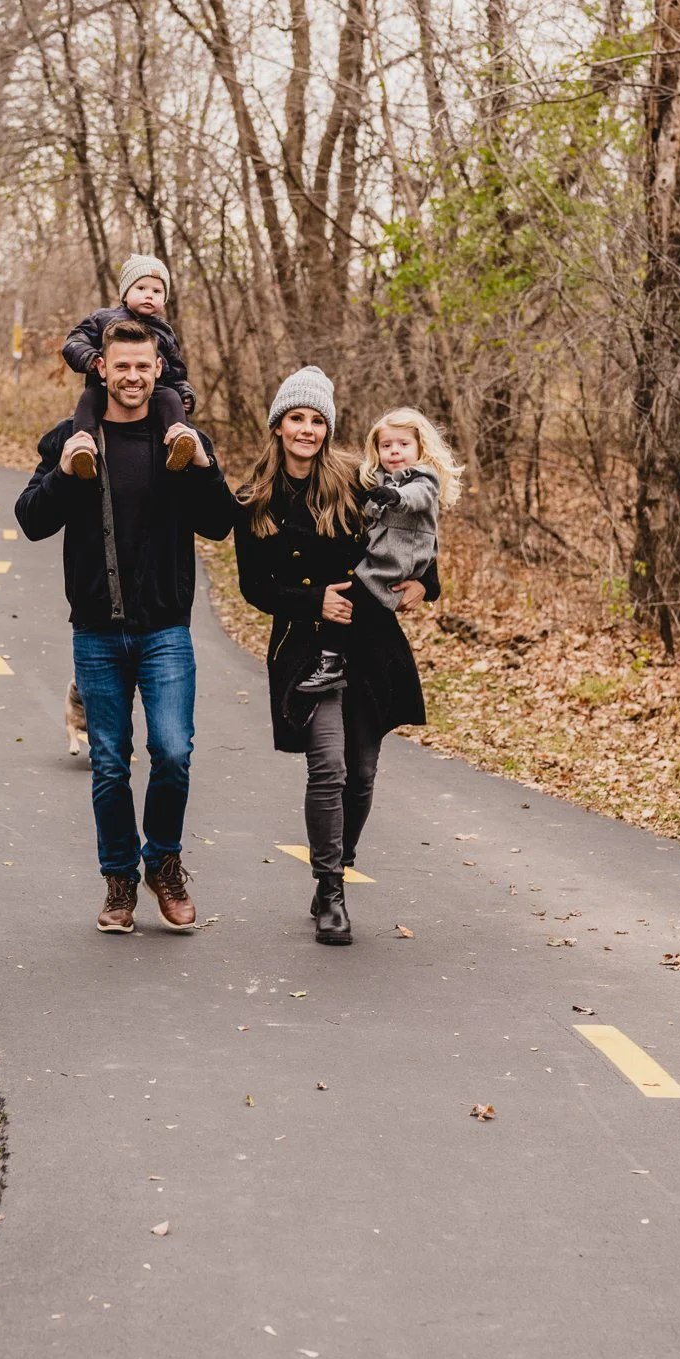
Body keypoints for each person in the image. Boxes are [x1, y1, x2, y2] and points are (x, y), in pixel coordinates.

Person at [16, 317, 237, 935]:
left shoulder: (182, 439)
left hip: (166, 629)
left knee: (172, 752)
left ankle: (162, 859)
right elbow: (31, 521)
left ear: (157, 369)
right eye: (123, 366)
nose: (134, 376)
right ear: (103, 369)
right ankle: (119, 880)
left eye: (144, 366)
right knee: (111, 763)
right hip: (97, 631)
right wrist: (62, 472)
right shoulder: (72, 437)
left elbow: (221, 524)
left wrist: (199, 466)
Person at [233, 367, 437, 948]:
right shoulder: (253, 499)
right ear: (278, 426)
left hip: (370, 640)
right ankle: (331, 891)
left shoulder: (357, 479)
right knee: (329, 768)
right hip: (303, 647)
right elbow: (253, 587)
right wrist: (313, 600)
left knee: (363, 775)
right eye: (297, 418)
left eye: (317, 420)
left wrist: (429, 583)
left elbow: (412, 523)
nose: (307, 430)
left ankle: (338, 866)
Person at [292, 406, 464, 699]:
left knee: (347, 599)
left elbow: (417, 495)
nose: (394, 452)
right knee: (355, 604)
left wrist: (395, 496)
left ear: (421, 447)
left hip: (396, 561)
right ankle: (337, 660)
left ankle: (332, 663)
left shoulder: (422, 478)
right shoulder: (380, 478)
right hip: (384, 557)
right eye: (386, 446)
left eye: (403, 444)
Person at [61, 255, 196, 480]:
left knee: (172, 398)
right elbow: (73, 343)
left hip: (154, 389)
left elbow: (176, 369)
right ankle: (82, 449)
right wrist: (91, 359)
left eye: (157, 291)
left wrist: (184, 391)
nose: (149, 295)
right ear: (125, 292)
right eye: (141, 288)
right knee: (88, 401)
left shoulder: (165, 331)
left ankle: (179, 443)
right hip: (105, 385)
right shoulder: (104, 319)